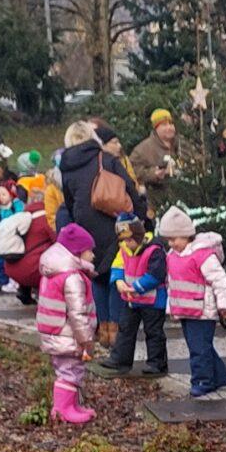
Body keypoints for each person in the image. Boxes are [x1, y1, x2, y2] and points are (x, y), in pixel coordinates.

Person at [56, 120, 142, 335]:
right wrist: (141, 217)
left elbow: (68, 201)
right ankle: (117, 331)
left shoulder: (66, 166)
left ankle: (103, 330)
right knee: (116, 274)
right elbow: (129, 189)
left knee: (97, 275)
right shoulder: (107, 158)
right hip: (113, 223)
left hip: (86, 226)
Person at [158, 204, 226, 398]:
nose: (171, 244)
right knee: (200, 346)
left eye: (174, 239)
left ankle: (203, 380)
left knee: (199, 348)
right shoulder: (172, 256)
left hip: (203, 310)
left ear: (186, 235)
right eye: (168, 240)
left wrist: (225, 304)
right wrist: (172, 307)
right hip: (186, 309)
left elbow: (219, 279)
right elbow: (172, 284)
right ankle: (218, 376)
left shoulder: (202, 255)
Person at [38, 223, 98, 426]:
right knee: (70, 370)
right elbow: (77, 313)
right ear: (77, 252)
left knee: (67, 369)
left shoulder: (53, 272)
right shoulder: (72, 278)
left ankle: (69, 406)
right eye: (90, 251)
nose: (93, 255)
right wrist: (86, 340)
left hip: (56, 332)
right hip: (68, 334)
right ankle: (63, 410)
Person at [100, 214, 170, 378]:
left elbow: (156, 275)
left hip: (153, 301)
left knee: (154, 332)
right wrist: (118, 281)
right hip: (132, 300)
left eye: (129, 240)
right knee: (125, 329)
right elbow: (117, 265)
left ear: (138, 236)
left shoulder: (154, 249)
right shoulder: (124, 248)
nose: (126, 244)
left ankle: (157, 363)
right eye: (123, 240)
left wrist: (135, 287)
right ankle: (120, 359)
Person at [128, 107, 178, 198]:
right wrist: (154, 173)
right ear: (156, 128)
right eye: (164, 125)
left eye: (171, 124)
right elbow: (131, 171)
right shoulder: (142, 149)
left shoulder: (183, 144)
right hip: (157, 198)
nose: (169, 127)